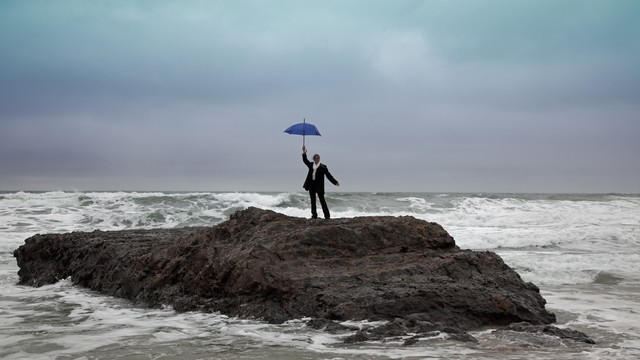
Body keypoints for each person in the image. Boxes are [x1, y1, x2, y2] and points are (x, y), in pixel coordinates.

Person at [302, 145, 340, 219]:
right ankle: (314, 215)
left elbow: (328, 175)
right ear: (313, 159)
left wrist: (335, 182)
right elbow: (305, 160)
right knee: (313, 200)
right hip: (311, 184)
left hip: (319, 185)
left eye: (318, 158)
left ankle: (327, 215)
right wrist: (304, 152)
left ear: (319, 159)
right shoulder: (311, 165)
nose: (317, 159)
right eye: (315, 158)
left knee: (322, 200)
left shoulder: (323, 167)